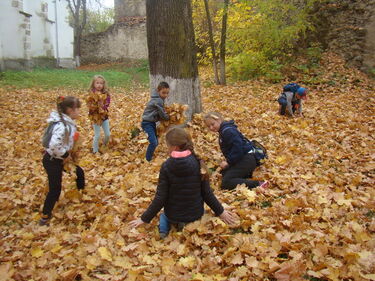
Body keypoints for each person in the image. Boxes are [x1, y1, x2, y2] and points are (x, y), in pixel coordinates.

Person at [129, 127, 236, 238]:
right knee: (200, 212)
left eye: (167, 146)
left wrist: (144, 219)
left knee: (163, 216)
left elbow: (160, 198)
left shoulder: (166, 166)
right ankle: (189, 224)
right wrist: (221, 212)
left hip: (173, 215)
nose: (167, 149)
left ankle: (164, 230)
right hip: (195, 215)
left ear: (174, 147)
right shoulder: (198, 162)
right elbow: (207, 194)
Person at [40, 96, 85, 226]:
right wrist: (65, 154)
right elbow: (54, 144)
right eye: (78, 109)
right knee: (55, 189)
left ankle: (80, 194)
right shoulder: (62, 125)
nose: (79, 112)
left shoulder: (66, 122)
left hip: (62, 159)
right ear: (71, 110)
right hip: (53, 160)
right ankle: (45, 216)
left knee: (79, 173)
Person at [204, 112, 269, 191]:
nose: (211, 127)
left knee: (226, 183)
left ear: (219, 120)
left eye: (212, 124)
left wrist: (228, 162)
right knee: (224, 173)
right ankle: (245, 176)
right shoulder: (224, 130)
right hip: (242, 159)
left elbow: (238, 149)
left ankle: (259, 184)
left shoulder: (228, 131)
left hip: (247, 159)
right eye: (208, 126)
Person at [141, 81, 170, 161]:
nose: (165, 95)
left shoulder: (157, 99)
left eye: (167, 93)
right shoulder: (158, 101)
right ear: (158, 91)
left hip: (151, 123)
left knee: (155, 142)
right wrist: (168, 117)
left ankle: (149, 156)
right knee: (154, 142)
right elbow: (162, 114)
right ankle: (147, 159)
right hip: (147, 123)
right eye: (163, 93)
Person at [87, 75, 111, 153]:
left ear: (103, 84)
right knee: (97, 135)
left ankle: (104, 145)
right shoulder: (91, 94)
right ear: (94, 84)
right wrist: (95, 106)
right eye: (97, 83)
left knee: (108, 134)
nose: (99, 85)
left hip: (104, 116)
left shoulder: (106, 93)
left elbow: (107, 103)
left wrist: (102, 106)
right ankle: (95, 151)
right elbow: (89, 105)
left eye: (101, 83)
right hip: (95, 117)